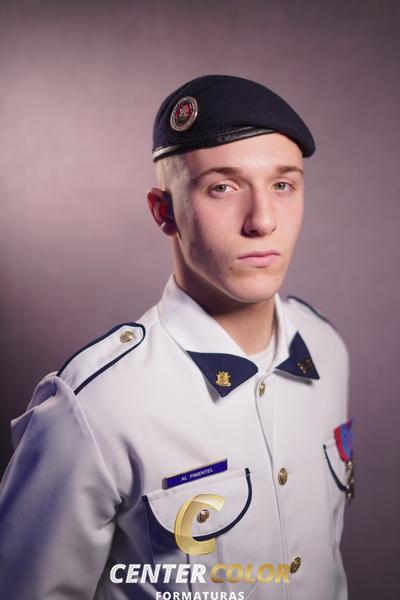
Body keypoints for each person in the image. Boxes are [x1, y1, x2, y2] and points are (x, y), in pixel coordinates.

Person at [0, 74, 354, 600]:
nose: (262, 221)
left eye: (283, 185)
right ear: (164, 211)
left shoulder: (326, 349)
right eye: (223, 187)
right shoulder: (95, 406)